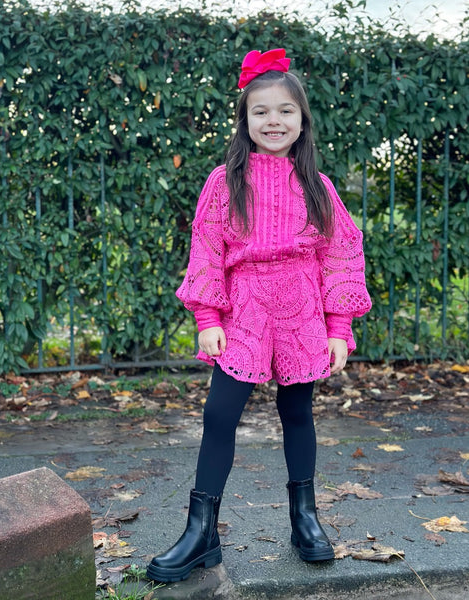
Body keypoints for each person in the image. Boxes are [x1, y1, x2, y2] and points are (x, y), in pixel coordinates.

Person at [146, 48, 372, 583]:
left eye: (285, 111)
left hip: (301, 306)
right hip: (245, 305)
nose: (274, 121)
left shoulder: (318, 186)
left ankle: (305, 520)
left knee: (298, 412)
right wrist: (208, 317)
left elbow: (341, 253)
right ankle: (201, 533)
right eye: (261, 111)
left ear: (302, 120)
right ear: (245, 120)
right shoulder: (224, 182)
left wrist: (338, 326)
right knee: (219, 414)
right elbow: (207, 249)